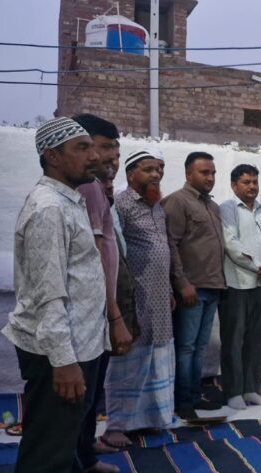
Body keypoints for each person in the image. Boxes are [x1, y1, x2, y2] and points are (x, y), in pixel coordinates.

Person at [3, 118, 106, 472]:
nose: (94, 157)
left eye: (93, 147)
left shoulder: (69, 201)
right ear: (52, 156)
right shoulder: (49, 208)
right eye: (82, 148)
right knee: (47, 454)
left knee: (62, 443)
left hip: (78, 345)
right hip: (59, 352)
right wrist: (63, 362)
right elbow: (48, 293)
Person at [103, 148, 176, 447]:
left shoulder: (157, 205)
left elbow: (162, 249)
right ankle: (117, 426)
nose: (156, 174)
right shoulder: (120, 204)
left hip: (159, 298)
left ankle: (150, 419)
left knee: (157, 359)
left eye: (159, 169)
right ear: (131, 174)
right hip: (134, 297)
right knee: (130, 361)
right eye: (149, 169)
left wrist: (168, 288)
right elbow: (113, 251)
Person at [70, 114, 130, 472]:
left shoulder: (98, 189)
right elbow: (95, 258)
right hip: (94, 309)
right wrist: (114, 315)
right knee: (85, 389)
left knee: (92, 388)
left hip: (99, 307)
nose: (110, 157)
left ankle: (85, 449)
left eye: (115, 151)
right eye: (104, 147)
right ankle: (82, 460)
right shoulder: (89, 188)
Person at [161, 152, 226, 418]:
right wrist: (182, 283)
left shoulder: (213, 206)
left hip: (213, 286)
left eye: (213, 173)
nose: (210, 178)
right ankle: (182, 401)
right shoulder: (178, 201)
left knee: (199, 347)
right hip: (191, 288)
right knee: (186, 347)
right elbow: (170, 243)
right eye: (204, 172)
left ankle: (194, 396)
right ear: (189, 174)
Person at [219, 164, 261, 409]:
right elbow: (231, 244)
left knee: (258, 340)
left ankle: (251, 389)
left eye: (255, 182)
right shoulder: (227, 209)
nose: (252, 186)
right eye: (246, 182)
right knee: (234, 340)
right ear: (234, 185)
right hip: (237, 284)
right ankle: (233, 392)